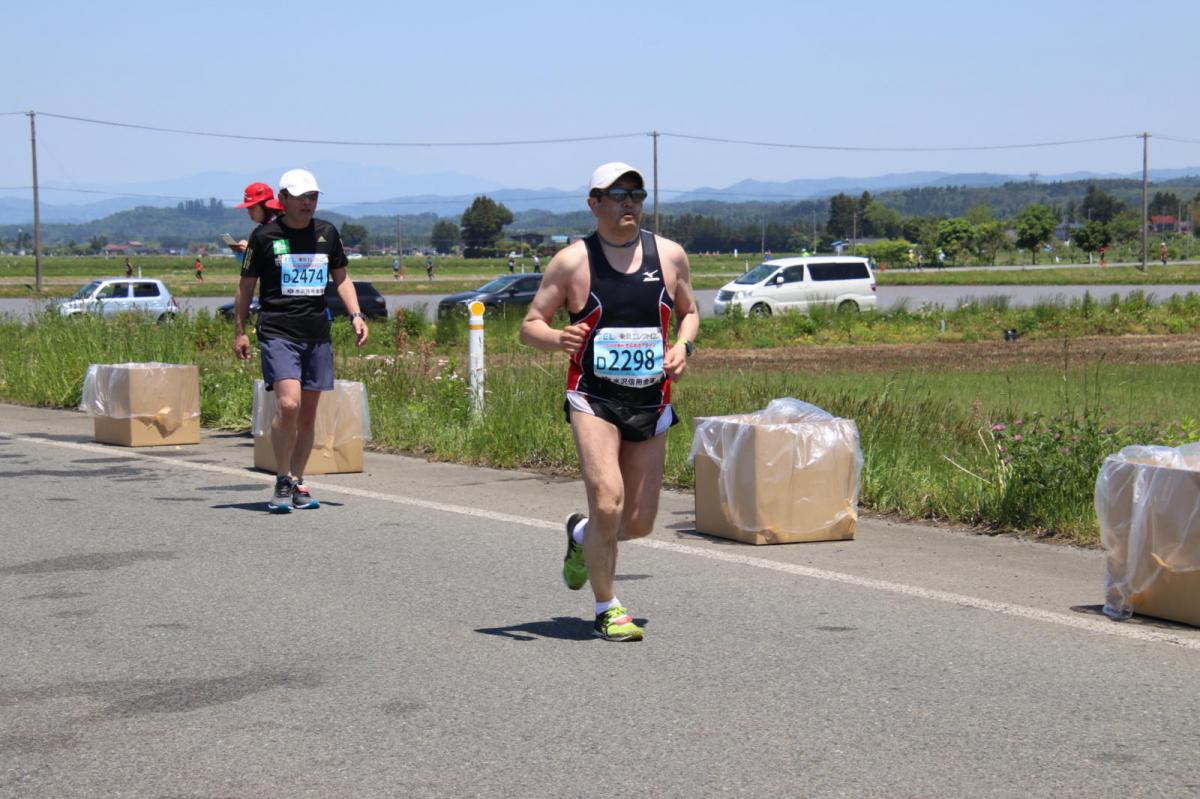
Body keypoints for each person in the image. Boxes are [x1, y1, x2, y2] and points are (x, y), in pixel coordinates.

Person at [520, 161, 699, 642]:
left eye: (636, 196)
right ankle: (608, 606)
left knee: (636, 522)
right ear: (593, 203)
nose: (629, 203)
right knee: (608, 499)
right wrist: (557, 338)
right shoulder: (573, 262)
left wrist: (683, 346)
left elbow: (690, 313)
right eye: (618, 195)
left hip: (651, 400)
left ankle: (582, 535)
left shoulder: (669, 255)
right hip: (593, 397)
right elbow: (530, 324)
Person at [233, 168, 370, 513]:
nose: (309, 203)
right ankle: (280, 478)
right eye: (301, 197)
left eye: (313, 197)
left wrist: (355, 314)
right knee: (289, 405)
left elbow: (341, 279)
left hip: (316, 333)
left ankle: (297, 479)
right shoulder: (264, 236)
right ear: (283, 200)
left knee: (308, 415)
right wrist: (240, 330)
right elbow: (246, 286)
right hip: (278, 330)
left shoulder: (327, 233)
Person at [231, 182, 284, 254]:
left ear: (265, 206)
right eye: (248, 208)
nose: (249, 212)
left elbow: (280, 260)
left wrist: (250, 250)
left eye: (251, 208)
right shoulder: (266, 228)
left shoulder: (278, 230)